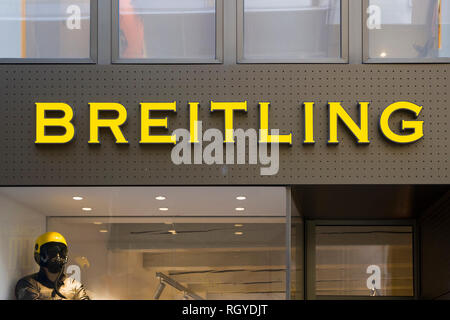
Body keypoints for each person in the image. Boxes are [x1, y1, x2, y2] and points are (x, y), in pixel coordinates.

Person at [15, 232, 90, 300]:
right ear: (39, 256)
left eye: (61, 252)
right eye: (52, 252)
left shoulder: (75, 286)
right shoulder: (28, 284)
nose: (57, 257)